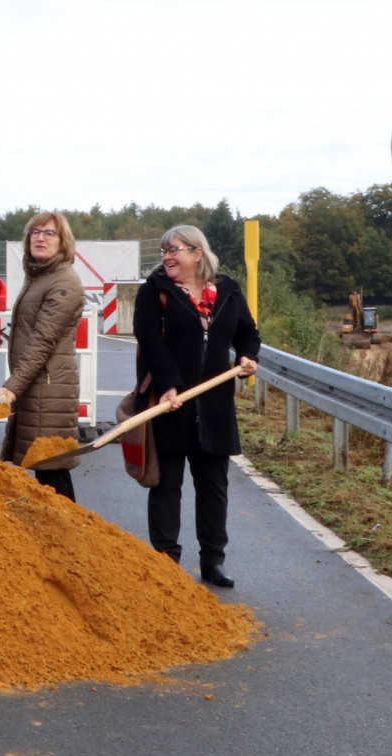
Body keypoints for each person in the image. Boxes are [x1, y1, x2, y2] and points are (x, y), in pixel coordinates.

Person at [133, 224, 260, 588]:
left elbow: (248, 333)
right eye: (164, 251)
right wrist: (169, 385)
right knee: (166, 485)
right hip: (171, 403)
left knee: (213, 488)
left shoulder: (229, 290)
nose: (168, 256)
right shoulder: (154, 292)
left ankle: (213, 562)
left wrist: (249, 357)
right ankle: (165, 560)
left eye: (176, 249)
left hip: (217, 406)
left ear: (197, 253)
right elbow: (150, 342)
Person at [0, 212, 86, 501]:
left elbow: (41, 342)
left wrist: (12, 387)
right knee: (44, 469)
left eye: (49, 233)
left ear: (63, 242)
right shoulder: (40, 277)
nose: (40, 238)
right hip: (38, 388)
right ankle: (61, 532)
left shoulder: (63, 283)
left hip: (49, 391)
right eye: (35, 232)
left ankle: (73, 532)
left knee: (51, 468)